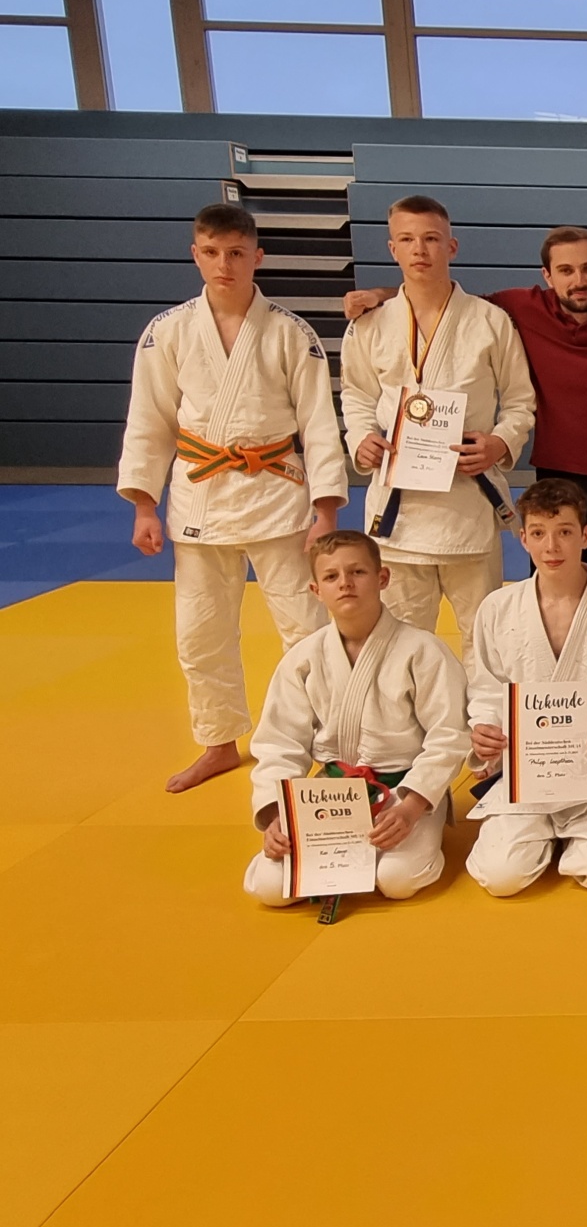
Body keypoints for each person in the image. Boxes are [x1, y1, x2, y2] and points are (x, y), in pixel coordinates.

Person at [118, 202, 346, 793]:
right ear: (195, 255)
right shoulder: (167, 331)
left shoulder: (291, 332)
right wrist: (143, 504)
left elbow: (320, 424)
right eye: (213, 253)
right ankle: (218, 741)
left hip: (279, 494)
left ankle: (323, 739)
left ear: (257, 257)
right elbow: (149, 419)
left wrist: (326, 509)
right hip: (201, 494)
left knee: (306, 627)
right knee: (201, 633)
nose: (225, 264)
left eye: (237, 253)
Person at [345, 227, 587, 601]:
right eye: (566, 270)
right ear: (547, 275)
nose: (579, 281)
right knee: (552, 594)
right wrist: (381, 295)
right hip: (556, 475)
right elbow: (438, 298)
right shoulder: (521, 308)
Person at [341, 195, 536, 642]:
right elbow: (356, 394)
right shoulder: (369, 324)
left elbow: (520, 400)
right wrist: (361, 438)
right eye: (407, 240)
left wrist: (500, 443)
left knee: (483, 642)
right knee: (399, 644)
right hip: (399, 510)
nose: (420, 250)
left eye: (431, 239)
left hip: (466, 502)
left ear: (452, 246)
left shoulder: (490, 321)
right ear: (392, 249)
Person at [243, 530, 470, 908]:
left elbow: (450, 734)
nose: (345, 583)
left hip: (404, 791)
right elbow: (278, 743)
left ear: (382, 578)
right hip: (329, 795)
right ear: (316, 590)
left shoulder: (424, 651)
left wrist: (412, 807)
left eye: (358, 572)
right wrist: (278, 815)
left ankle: (421, 834)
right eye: (331, 576)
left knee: (396, 880)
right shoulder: (304, 658)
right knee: (271, 888)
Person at [463, 477, 587, 897]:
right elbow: (487, 686)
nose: (552, 547)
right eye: (538, 533)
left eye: (564, 532)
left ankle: (570, 838)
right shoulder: (497, 608)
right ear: (523, 539)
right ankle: (538, 838)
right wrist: (485, 729)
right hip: (525, 771)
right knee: (501, 878)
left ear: (586, 536)